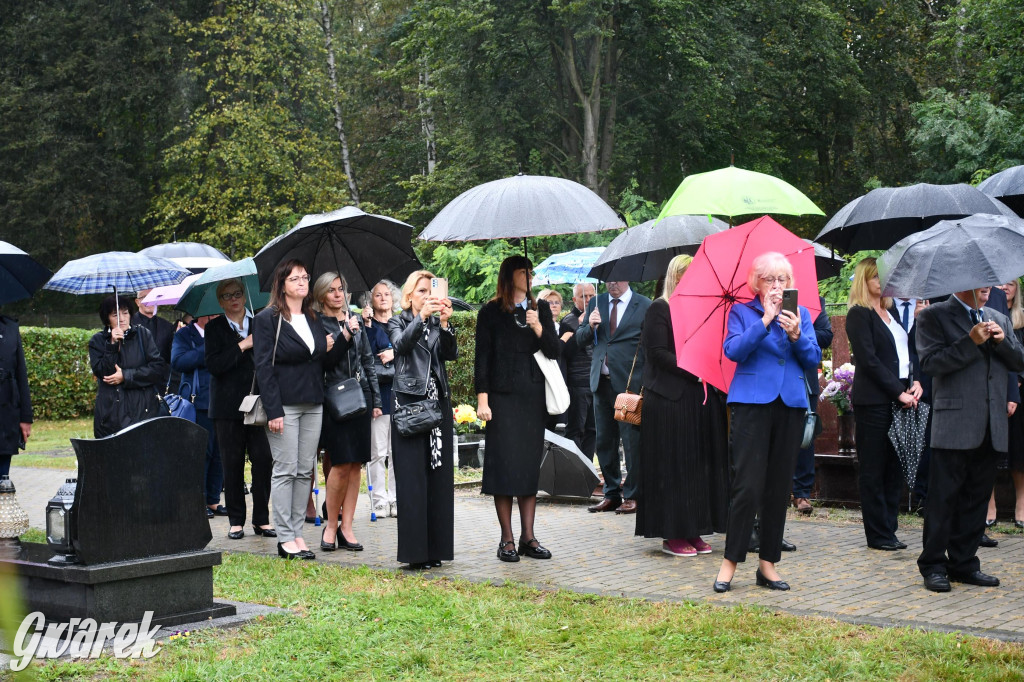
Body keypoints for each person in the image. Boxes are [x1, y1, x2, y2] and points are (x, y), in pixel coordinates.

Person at [713, 252, 820, 593]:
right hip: (751, 405)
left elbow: (813, 359)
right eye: (770, 280)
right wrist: (764, 322)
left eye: (783, 280)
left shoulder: (800, 315)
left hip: (789, 404)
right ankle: (729, 562)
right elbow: (733, 351)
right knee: (747, 485)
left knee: (777, 488)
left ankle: (768, 564)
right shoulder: (742, 312)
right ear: (756, 283)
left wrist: (796, 335)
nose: (777, 286)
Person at [915, 285, 1024, 592]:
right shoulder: (934, 317)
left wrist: (1002, 343)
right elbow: (931, 364)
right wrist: (970, 341)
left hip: (992, 425)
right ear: (961, 281)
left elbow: (1019, 361)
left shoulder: (998, 318)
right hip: (954, 423)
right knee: (943, 499)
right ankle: (933, 565)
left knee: (976, 499)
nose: (987, 286)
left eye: (990, 280)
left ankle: (964, 563)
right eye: (980, 280)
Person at [636, 255, 729, 557]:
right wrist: (694, 368)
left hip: (699, 400)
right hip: (668, 400)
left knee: (696, 468)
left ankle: (694, 528)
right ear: (675, 277)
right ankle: (671, 533)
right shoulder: (659, 309)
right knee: (673, 467)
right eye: (686, 275)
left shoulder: (703, 311)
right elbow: (659, 353)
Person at [476, 257, 561, 562]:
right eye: (524, 271)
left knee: (526, 467)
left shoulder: (539, 310)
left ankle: (529, 537)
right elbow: (482, 358)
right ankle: (507, 539)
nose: (530, 276)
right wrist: (482, 399)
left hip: (532, 398)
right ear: (509, 276)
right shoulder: (490, 312)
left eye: (531, 272)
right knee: (503, 467)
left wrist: (539, 327)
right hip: (501, 398)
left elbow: (555, 351)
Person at [253, 259, 336, 561]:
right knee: (286, 469)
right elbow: (263, 366)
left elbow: (320, 361)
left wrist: (345, 336)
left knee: (305, 471)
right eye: (295, 278)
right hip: (283, 405)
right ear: (282, 285)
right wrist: (273, 410)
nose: (302, 282)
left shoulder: (313, 317)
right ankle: (284, 536)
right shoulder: (267, 319)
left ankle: (297, 533)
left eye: (305, 277)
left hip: (313, 402)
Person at [845, 258, 923, 550]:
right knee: (874, 469)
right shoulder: (858, 314)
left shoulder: (893, 315)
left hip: (901, 397)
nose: (882, 282)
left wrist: (915, 382)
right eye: (876, 277)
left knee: (894, 468)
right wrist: (897, 392)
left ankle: (890, 529)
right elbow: (869, 360)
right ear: (863, 282)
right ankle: (877, 534)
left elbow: (907, 353)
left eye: (885, 277)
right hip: (875, 402)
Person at [388, 270, 458, 569]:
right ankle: (414, 554)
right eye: (421, 293)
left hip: (437, 403)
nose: (426, 298)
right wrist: (421, 319)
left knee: (438, 478)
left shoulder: (435, 322)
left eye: (430, 292)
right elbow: (400, 346)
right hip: (410, 405)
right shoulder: (398, 320)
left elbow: (450, 354)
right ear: (408, 296)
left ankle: (435, 550)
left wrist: (444, 323)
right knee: (412, 479)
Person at [313, 272, 381, 552]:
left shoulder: (355, 319)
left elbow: (367, 360)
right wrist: (344, 333)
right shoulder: (317, 324)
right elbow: (325, 361)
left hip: (361, 395)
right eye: (331, 290)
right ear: (321, 296)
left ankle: (348, 527)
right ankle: (330, 525)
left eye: (341, 289)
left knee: (356, 466)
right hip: (335, 398)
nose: (338, 294)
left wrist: (376, 399)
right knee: (340, 464)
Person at [204, 278, 274, 540]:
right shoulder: (214, 329)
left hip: (258, 404)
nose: (233, 298)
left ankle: (262, 519)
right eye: (227, 295)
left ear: (245, 297)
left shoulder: (261, 323)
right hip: (226, 407)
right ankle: (236, 521)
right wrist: (243, 344)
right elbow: (215, 365)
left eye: (237, 293)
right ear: (220, 302)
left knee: (263, 460)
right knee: (231, 463)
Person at [575, 280, 652, 514]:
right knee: (604, 442)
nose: (612, 284)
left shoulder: (644, 305)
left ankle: (633, 494)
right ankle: (611, 494)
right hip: (602, 382)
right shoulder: (596, 302)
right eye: (608, 280)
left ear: (628, 278)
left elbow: (650, 345)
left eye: (617, 280)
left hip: (629, 385)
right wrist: (590, 326)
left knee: (632, 442)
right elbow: (580, 340)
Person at [89, 296, 168, 438]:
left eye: (125, 313)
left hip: (142, 411)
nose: (122, 319)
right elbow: (103, 373)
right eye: (115, 315)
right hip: (110, 415)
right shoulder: (98, 341)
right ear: (107, 319)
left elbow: (157, 369)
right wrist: (112, 345)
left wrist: (126, 376)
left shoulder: (143, 335)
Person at [172, 312, 226, 519]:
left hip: (223, 399)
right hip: (199, 400)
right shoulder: (185, 335)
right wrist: (208, 347)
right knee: (202, 452)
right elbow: (178, 361)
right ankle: (197, 500)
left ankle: (213, 499)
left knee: (220, 454)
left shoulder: (224, 331)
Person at [361, 280, 401, 518]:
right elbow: (363, 355)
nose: (384, 298)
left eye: (387, 294)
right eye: (378, 295)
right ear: (370, 300)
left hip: (400, 395)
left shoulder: (400, 323)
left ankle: (396, 499)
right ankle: (378, 500)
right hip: (378, 396)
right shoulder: (368, 325)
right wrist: (366, 325)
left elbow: (412, 348)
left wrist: (394, 353)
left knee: (397, 452)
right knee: (377, 452)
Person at [791, 295, 833, 514]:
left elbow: (826, 335)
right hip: (777, 381)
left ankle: (802, 493)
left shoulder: (813, 302)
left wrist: (799, 331)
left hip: (805, 380)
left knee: (805, 436)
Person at [989, 279, 1024, 528]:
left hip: (1014, 392)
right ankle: (988, 504)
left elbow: (1015, 353)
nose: (1005, 288)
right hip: (988, 391)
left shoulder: (1016, 314)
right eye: (1002, 284)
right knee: (988, 452)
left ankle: (1021, 505)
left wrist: (1016, 385)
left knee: (1019, 450)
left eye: (1010, 284)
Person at [560, 283, 597, 457]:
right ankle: (573, 470)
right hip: (578, 382)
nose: (588, 299)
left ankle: (588, 469)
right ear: (575, 300)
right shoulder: (569, 321)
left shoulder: (599, 317)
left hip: (596, 380)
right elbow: (566, 352)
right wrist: (583, 328)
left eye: (591, 295)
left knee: (594, 429)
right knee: (576, 429)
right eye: (583, 296)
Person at [0, 311, 32, 478]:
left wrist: (26, 417)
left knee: (3, 481)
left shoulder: (10, 327)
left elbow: (21, 374)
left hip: (7, 413)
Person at [133, 289, 175, 391]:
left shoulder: (168, 326)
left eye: (153, 297)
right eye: (145, 297)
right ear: (137, 302)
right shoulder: (128, 325)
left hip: (161, 385)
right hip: (136, 384)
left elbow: (171, 358)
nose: (150, 300)